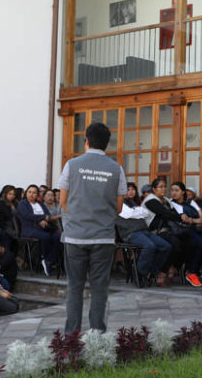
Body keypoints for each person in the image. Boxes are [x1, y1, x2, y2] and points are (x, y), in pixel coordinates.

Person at [59, 122, 126, 334]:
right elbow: (118, 207)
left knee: (75, 286)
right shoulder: (116, 168)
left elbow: (63, 200)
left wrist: (78, 217)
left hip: (75, 236)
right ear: (107, 143)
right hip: (103, 237)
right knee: (99, 287)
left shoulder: (72, 164)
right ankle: (97, 332)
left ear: (86, 140)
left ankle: (71, 334)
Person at [117, 182, 170, 287]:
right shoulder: (118, 202)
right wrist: (138, 212)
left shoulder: (134, 203)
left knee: (166, 246)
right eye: (128, 189)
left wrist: (136, 212)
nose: (131, 191)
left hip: (144, 231)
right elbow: (128, 214)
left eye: (133, 189)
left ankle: (151, 271)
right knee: (150, 246)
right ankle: (140, 273)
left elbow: (145, 213)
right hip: (130, 233)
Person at [142, 178, 190, 285]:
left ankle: (173, 266)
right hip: (154, 231)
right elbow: (164, 213)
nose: (163, 189)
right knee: (175, 244)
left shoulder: (166, 200)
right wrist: (180, 217)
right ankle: (163, 272)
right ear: (154, 189)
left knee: (190, 241)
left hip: (168, 230)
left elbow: (173, 212)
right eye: (160, 187)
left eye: (164, 187)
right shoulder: (150, 200)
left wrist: (184, 217)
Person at [168, 181, 202, 287]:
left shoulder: (190, 201)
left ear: (183, 192)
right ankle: (192, 273)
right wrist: (195, 221)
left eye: (176, 190)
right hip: (185, 231)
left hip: (199, 229)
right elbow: (184, 219)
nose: (174, 193)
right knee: (199, 243)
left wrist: (193, 220)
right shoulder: (171, 203)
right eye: (172, 190)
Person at [17, 184, 62, 276]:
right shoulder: (23, 204)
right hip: (29, 229)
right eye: (29, 192)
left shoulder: (40, 203)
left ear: (37, 194)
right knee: (45, 237)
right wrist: (41, 219)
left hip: (43, 228)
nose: (31, 194)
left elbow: (48, 215)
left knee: (57, 237)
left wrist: (43, 219)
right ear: (26, 193)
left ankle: (48, 260)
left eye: (34, 193)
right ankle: (45, 258)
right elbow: (27, 215)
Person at [0, 185, 19, 249]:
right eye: (10, 194)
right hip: (6, 227)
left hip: (16, 226)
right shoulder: (2, 203)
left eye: (13, 194)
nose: (12, 196)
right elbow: (7, 215)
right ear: (6, 194)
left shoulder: (16, 203)